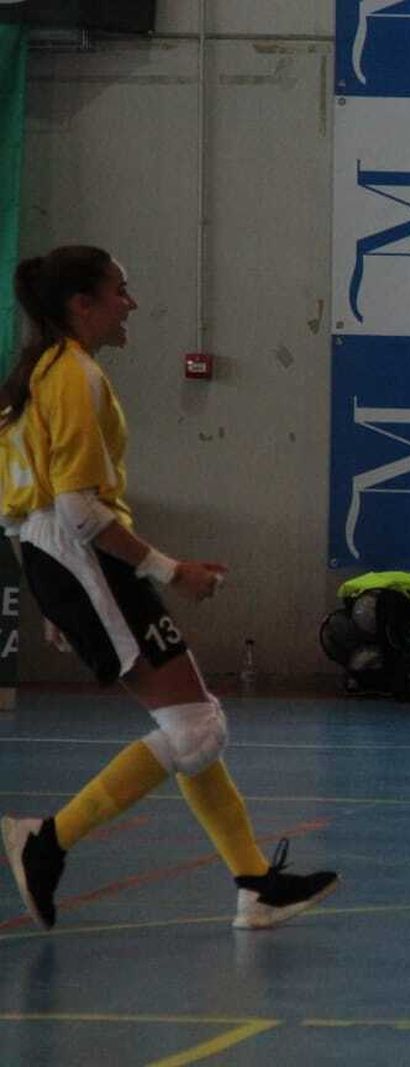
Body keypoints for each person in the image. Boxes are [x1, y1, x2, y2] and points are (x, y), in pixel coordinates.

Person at [0, 246, 338, 931]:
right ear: (82, 305)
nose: (131, 304)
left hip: (61, 561)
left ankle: (254, 884)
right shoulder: (75, 376)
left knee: (192, 724)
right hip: (81, 556)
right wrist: (169, 569)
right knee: (196, 727)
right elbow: (80, 511)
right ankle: (47, 840)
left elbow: (21, 508)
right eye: (119, 291)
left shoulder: (37, 374)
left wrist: (53, 593)